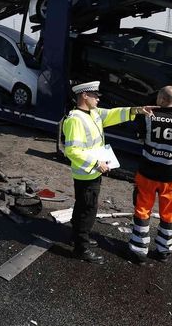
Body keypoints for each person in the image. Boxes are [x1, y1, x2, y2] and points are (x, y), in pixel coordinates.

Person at [63, 81, 154, 263]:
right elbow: (71, 151)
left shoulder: (93, 113)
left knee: (83, 206)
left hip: (93, 171)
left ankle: (77, 237)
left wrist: (137, 110)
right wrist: (96, 162)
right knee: (87, 210)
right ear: (84, 96)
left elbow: (113, 114)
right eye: (95, 96)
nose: (98, 99)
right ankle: (81, 248)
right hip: (86, 173)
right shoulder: (75, 119)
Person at [128, 85, 172, 264]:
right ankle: (164, 250)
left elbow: (140, 138)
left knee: (142, 211)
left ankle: (139, 250)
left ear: (162, 100)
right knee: (169, 214)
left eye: (158, 97)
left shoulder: (148, 117)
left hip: (148, 173)